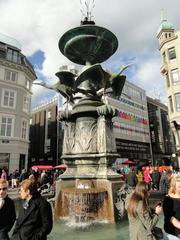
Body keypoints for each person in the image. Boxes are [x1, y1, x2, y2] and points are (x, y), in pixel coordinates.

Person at [163, 174, 180, 239]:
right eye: (179, 187)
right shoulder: (168, 199)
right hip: (173, 233)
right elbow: (170, 217)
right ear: (173, 187)